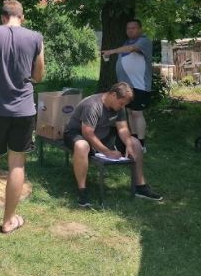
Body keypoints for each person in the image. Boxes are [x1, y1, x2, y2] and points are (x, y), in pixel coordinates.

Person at [0, 0, 44, 234]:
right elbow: (39, 75)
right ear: (22, 17)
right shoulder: (36, 37)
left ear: (3, 17)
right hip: (24, 110)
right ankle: (8, 220)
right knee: (16, 163)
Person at [63, 82, 162, 207]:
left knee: (135, 143)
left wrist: (128, 144)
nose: (122, 107)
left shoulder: (119, 106)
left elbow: (122, 128)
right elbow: (87, 133)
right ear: (113, 95)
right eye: (121, 103)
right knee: (82, 146)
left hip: (101, 133)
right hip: (77, 133)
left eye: (124, 105)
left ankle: (140, 187)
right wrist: (107, 152)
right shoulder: (92, 105)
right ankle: (82, 191)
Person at [102, 19, 153, 152]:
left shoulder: (144, 41)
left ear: (140, 29)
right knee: (129, 113)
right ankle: (134, 140)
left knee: (137, 113)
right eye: (128, 28)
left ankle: (141, 144)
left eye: (133, 28)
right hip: (127, 86)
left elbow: (131, 49)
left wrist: (111, 51)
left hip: (139, 85)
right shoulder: (126, 42)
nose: (130, 30)